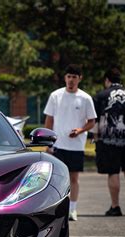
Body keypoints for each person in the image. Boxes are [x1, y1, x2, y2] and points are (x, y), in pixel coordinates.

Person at [44, 64, 97, 221]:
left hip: (76, 146)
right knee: (55, 178)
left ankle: (72, 209)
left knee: (73, 178)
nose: (71, 80)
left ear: (80, 79)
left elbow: (92, 121)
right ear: (65, 78)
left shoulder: (85, 98)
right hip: (58, 145)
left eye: (74, 77)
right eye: (69, 76)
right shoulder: (56, 95)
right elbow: (49, 119)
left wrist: (80, 130)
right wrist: (48, 142)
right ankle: (56, 209)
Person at [93, 67, 125, 216]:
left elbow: (95, 118)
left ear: (107, 80)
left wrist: (95, 137)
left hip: (110, 140)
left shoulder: (101, 96)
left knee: (113, 171)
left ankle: (115, 206)